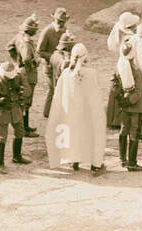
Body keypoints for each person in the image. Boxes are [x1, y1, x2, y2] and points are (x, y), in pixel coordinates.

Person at [45, 43, 104, 173]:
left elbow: (58, 93)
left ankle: (74, 161)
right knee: (90, 134)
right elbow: (95, 94)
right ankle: (95, 164)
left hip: (71, 112)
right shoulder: (91, 73)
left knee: (74, 134)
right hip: (86, 112)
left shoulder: (66, 73)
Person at [109, 37, 142, 172]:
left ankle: (122, 159)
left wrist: (122, 101)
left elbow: (114, 86)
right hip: (136, 108)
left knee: (123, 130)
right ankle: (132, 162)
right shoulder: (136, 71)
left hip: (124, 107)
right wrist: (130, 101)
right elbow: (138, 92)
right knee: (134, 133)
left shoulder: (119, 67)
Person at [0, 61, 30, 173]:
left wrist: (21, 90)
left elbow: (27, 91)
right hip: (2, 111)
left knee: (20, 131)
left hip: (16, 110)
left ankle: (17, 156)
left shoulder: (18, 77)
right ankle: (0, 164)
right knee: (1, 138)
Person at [104, 11, 139, 130]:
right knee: (128, 86)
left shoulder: (120, 33)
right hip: (128, 63)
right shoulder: (131, 38)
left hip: (120, 63)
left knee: (117, 87)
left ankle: (113, 117)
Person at [8, 14, 41, 137]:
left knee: (23, 101)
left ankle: (25, 127)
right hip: (28, 74)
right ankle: (24, 129)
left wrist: (15, 62)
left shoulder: (18, 37)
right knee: (26, 102)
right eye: (35, 30)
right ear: (31, 30)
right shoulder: (27, 42)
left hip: (21, 71)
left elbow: (9, 46)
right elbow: (27, 59)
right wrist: (35, 63)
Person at [37, 7, 70, 118]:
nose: (61, 24)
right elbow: (40, 51)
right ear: (54, 19)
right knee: (52, 89)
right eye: (59, 21)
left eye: (63, 22)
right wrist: (54, 57)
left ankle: (56, 111)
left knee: (60, 87)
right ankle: (47, 112)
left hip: (60, 66)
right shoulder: (47, 31)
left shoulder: (65, 30)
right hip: (49, 66)